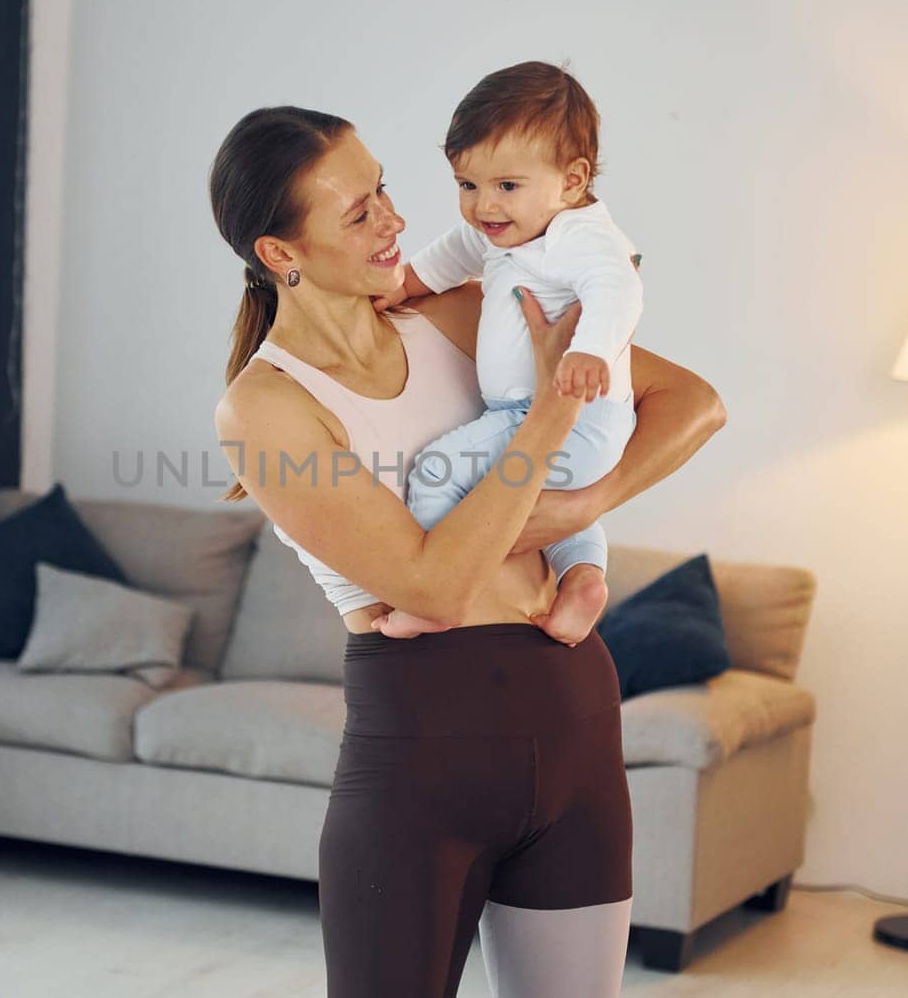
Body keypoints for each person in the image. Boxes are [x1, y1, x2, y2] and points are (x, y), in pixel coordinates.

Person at [210, 105, 725, 997]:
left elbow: (694, 401)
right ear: (279, 254)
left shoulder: (455, 314)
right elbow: (437, 588)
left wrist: (584, 504)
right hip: (423, 752)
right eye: (358, 211)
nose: (395, 220)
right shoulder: (268, 409)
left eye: (384, 191)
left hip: (574, 722)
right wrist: (553, 415)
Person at [370, 61, 643, 646]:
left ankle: (435, 594)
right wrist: (399, 288)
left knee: (440, 471)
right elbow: (441, 262)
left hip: (568, 416)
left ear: (572, 181)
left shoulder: (580, 236)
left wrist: (590, 350)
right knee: (548, 504)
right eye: (467, 186)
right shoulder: (507, 228)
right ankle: (583, 580)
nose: (482, 206)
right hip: (557, 424)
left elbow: (617, 287)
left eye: (506, 186)